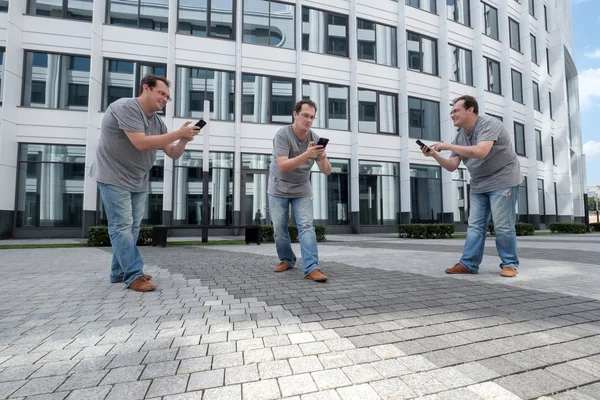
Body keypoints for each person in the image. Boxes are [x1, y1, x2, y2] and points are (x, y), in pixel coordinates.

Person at [91, 74, 200, 291]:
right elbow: (140, 143)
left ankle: (119, 272)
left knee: (132, 229)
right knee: (121, 227)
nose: (164, 99)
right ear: (146, 88)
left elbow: (172, 153)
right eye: (161, 93)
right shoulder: (125, 107)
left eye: (167, 97)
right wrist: (177, 132)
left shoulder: (158, 122)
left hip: (138, 179)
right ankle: (134, 275)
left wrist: (184, 140)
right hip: (113, 176)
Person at [421, 95, 523, 277]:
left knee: (502, 226)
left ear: (470, 109)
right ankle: (468, 264)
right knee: (475, 226)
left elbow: (481, 151)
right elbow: (452, 166)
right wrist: (435, 155)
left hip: (503, 179)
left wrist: (448, 145)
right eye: (451, 111)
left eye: (456, 110)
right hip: (479, 183)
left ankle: (509, 264)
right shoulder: (460, 136)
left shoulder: (489, 124)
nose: (452, 114)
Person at [268, 99, 332, 282]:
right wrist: (307, 155)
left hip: (302, 188)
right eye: (305, 115)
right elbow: (283, 166)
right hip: (278, 187)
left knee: (306, 227)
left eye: (312, 117)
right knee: (279, 229)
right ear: (295, 114)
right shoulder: (283, 135)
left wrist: (323, 157)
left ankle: (312, 268)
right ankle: (287, 260)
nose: (309, 120)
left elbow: (326, 171)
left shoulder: (315, 139)